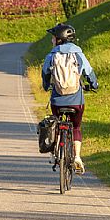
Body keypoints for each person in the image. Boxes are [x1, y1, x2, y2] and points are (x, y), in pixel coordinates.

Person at [41, 23, 98, 174]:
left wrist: (46, 86)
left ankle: (55, 152)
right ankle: (77, 157)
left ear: (59, 39)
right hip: (76, 101)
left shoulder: (51, 56)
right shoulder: (78, 54)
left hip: (57, 101)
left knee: (56, 123)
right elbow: (89, 72)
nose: (52, 40)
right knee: (76, 127)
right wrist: (94, 85)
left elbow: (45, 74)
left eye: (53, 38)